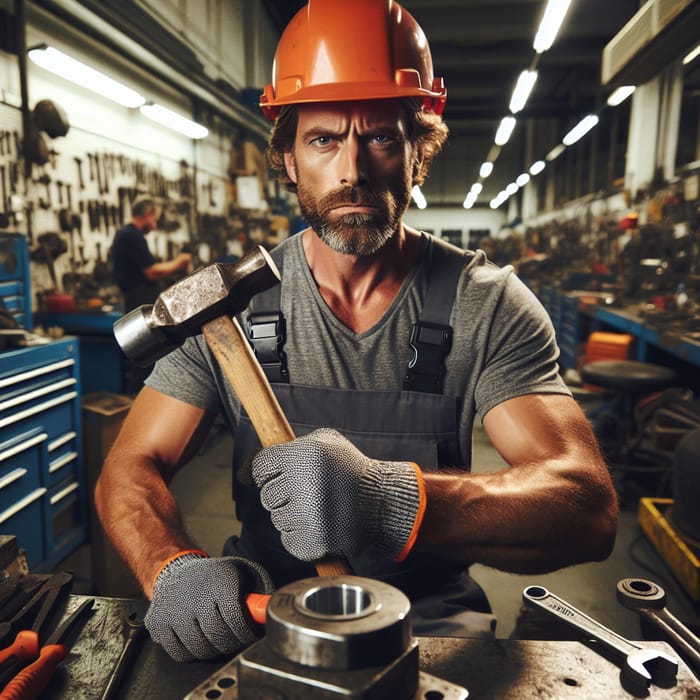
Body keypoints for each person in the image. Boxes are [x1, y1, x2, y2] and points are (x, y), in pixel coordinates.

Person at [95, 0, 618, 663]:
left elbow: (584, 505)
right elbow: (128, 467)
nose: (352, 170)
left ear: (417, 156)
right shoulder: (226, 313)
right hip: (265, 612)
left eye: (380, 137)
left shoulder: (486, 304)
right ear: (286, 159)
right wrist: (172, 565)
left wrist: (392, 501)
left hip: (429, 622)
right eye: (322, 139)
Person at [111, 194, 191, 393]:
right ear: (147, 214)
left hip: (137, 301)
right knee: (145, 358)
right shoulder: (131, 236)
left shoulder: (127, 235)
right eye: (155, 219)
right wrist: (179, 262)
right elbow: (152, 272)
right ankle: (135, 402)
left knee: (146, 357)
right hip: (138, 303)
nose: (155, 224)